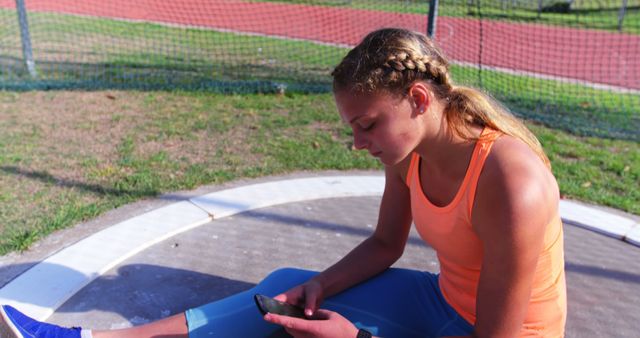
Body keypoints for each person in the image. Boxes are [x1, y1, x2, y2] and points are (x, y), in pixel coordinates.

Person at [0, 27, 566, 338]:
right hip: (440, 301)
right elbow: (386, 245)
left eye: (367, 125)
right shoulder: (409, 150)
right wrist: (321, 285)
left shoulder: (512, 182)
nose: (357, 141)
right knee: (287, 288)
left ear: (419, 100)